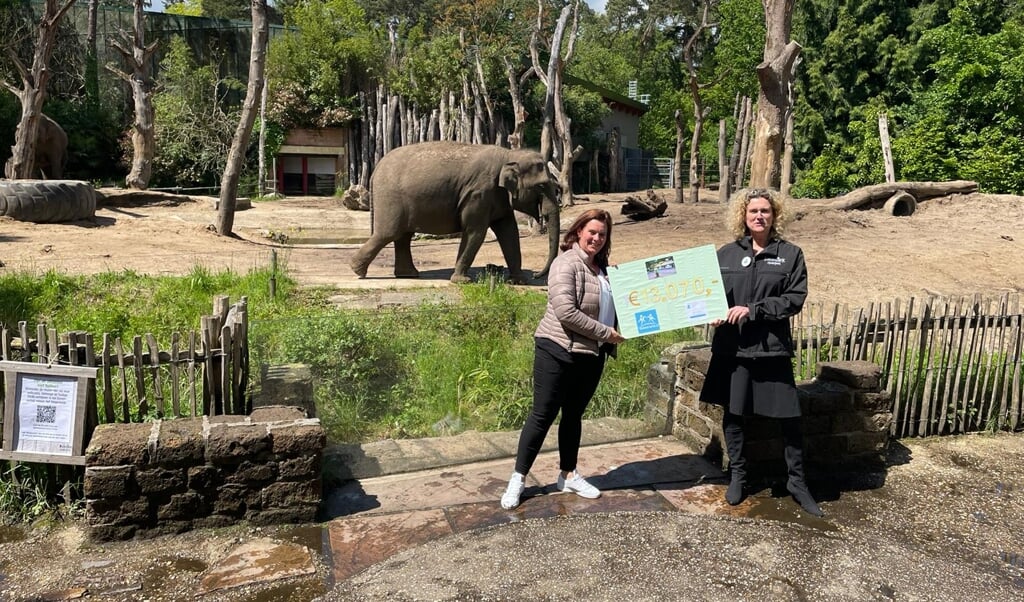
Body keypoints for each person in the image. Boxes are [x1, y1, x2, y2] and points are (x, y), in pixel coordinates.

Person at [700, 188, 824, 517]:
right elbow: (706, 296)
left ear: (774, 215)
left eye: (765, 211)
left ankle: (797, 482)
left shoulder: (791, 254)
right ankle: (739, 476)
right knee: (734, 414)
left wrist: (753, 310)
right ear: (743, 215)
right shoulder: (725, 254)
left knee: (789, 418)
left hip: (771, 350)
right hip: (734, 350)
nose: (759, 216)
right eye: (753, 210)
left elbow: (794, 299)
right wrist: (710, 313)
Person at [500, 208, 626, 510]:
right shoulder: (564, 263)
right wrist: (606, 333)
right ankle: (518, 478)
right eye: (591, 231)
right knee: (542, 415)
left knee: (573, 416)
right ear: (579, 231)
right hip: (557, 350)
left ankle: (568, 474)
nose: (596, 238)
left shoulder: (603, 269)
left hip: (591, 354)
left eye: (602, 234)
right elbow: (566, 312)